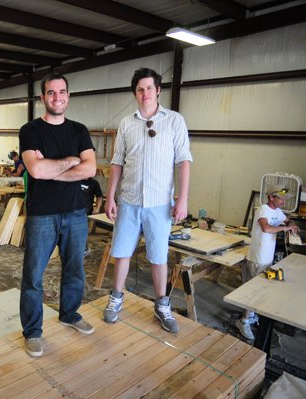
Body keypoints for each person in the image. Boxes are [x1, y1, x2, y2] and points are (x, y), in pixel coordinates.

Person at [103, 67, 192, 333]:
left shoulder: (174, 121)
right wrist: (110, 197)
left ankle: (162, 305)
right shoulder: (126, 124)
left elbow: (183, 161)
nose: (144, 93)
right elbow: (117, 162)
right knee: (121, 253)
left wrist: (183, 198)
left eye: (149, 88)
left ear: (158, 90)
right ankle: (116, 299)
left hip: (159, 204)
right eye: (140, 89)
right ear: (135, 93)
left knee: (158, 256)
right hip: (128, 200)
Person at [19, 72, 97, 357]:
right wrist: (71, 161)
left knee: (75, 269)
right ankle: (33, 331)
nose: (57, 97)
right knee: (34, 276)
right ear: (43, 97)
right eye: (51, 93)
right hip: (42, 215)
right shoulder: (30, 130)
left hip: (76, 212)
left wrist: (54, 169)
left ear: (68, 95)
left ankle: (69, 314)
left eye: (61, 92)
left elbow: (89, 169)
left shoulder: (79, 129)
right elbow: (36, 170)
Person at [236, 185, 298, 340]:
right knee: (253, 290)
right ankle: (243, 321)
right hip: (257, 257)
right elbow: (265, 228)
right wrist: (285, 229)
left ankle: (251, 316)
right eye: (281, 198)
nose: (283, 201)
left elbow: (286, 219)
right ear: (271, 197)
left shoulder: (277, 211)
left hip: (267, 257)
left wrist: (292, 225)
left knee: (260, 289)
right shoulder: (263, 209)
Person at [81, 177, 103, 256]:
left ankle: (84, 249)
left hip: (86, 211)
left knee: (82, 231)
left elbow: (99, 196)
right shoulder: (75, 178)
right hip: (72, 211)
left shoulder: (94, 183)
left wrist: (97, 208)